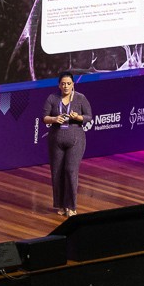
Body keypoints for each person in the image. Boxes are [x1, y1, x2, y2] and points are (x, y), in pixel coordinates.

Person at [44, 73, 91, 216]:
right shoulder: (52, 98)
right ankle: (61, 205)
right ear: (59, 85)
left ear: (73, 85)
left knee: (70, 171)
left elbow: (89, 117)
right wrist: (54, 119)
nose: (66, 86)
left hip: (75, 139)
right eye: (63, 84)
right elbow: (44, 118)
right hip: (56, 140)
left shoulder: (80, 98)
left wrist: (78, 117)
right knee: (57, 172)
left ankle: (71, 206)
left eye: (68, 83)